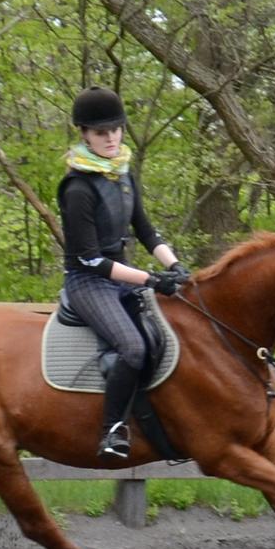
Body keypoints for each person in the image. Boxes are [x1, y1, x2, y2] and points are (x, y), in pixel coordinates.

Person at [57, 86, 190, 460]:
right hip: (89, 281)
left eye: (116, 129)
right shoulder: (78, 188)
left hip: (121, 278)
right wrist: (150, 280)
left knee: (172, 333)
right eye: (101, 132)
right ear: (83, 133)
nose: (111, 137)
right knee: (132, 347)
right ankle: (111, 430)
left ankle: (161, 425)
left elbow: (146, 231)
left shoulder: (123, 174)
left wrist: (175, 266)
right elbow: (90, 260)